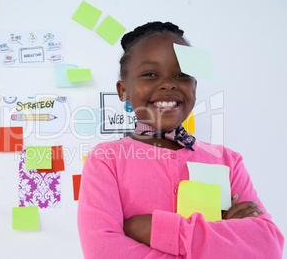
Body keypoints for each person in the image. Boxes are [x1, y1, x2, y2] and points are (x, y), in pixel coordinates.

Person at [77, 21, 284, 258]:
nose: (168, 83)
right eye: (150, 74)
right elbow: (102, 250)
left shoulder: (228, 161)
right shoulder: (106, 160)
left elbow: (268, 246)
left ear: (194, 86)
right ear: (123, 90)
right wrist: (222, 238)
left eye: (182, 74)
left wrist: (153, 228)